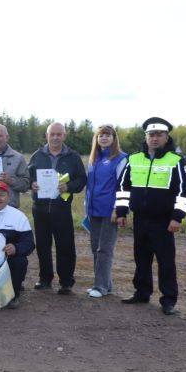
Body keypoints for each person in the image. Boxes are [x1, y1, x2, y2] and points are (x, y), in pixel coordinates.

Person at [116, 117, 186, 315]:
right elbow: (124, 188)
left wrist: (177, 217)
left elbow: (184, 192)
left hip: (164, 221)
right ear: (146, 137)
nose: (155, 138)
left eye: (159, 135)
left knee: (166, 261)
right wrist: (122, 212)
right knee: (141, 258)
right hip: (140, 219)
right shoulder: (133, 159)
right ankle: (142, 293)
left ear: (167, 137)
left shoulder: (176, 161)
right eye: (151, 135)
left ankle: (168, 299)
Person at [27, 122, 86, 295]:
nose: (55, 137)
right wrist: (32, 184)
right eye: (52, 134)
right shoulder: (37, 156)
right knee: (43, 245)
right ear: (46, 136)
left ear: (64, 136)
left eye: (59, 134)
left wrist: (68, 186)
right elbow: (27, 177)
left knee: (65, 245)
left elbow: (82, 180)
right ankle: (45, 279)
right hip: (40, 208)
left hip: (62, 208)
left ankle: (66, 281)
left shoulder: (73, 157)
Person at [84, 124, 128, 298]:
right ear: (96, 139)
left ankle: (100, 286)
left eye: (108, 135)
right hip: (93, 210)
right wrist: (86, 208)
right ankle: (105, 285)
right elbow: (89, 186)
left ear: (114, 138)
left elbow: (123, 185)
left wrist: (118, 209)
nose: (104, 138)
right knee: (96, 247)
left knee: (105, 249)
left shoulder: (121, 159)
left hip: (110, 210)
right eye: (101, 135)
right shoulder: (93, 159)